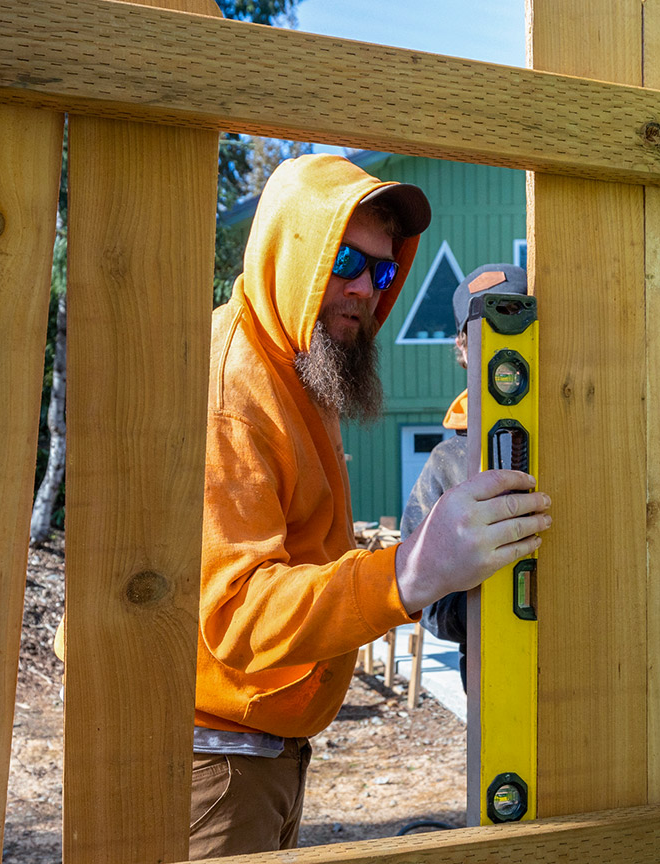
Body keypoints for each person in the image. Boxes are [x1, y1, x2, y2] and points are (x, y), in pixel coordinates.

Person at [190, 156, 550, 858]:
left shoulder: (295, 369)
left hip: (258, 748)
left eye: (383, 272)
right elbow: (232, 611)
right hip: (211, 756)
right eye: (345, 261)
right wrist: (409, 573)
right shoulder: (233, 392)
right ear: (289, 252)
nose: (364, 289)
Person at [398, 264, 531, 688]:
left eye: (520, 324)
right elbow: (424, 598)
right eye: (486, 332)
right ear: (463, 349)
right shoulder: (447, 462)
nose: (504, 345)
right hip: (493, 675)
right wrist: (487, 599)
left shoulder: (588, 436)